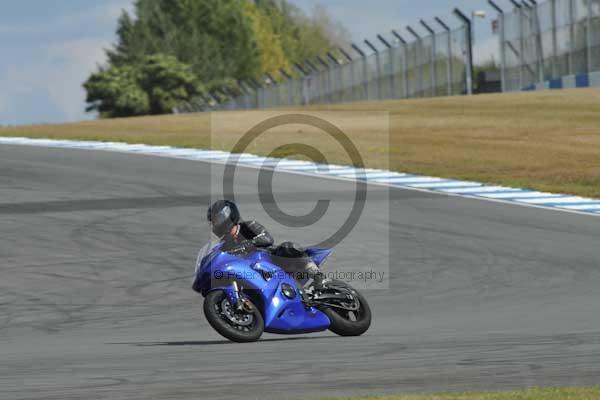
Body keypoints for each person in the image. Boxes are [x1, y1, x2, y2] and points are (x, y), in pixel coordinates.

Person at [206, 200, 324, 288]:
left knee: (288, 247)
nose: (215, 224)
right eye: (213, 221)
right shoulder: (226, 243)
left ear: (228, 215)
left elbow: (267, 238)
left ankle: (319, 278)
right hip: (253, 273)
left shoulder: (248, 226)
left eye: (217, 219)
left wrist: (249, 244)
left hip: (273, 260)